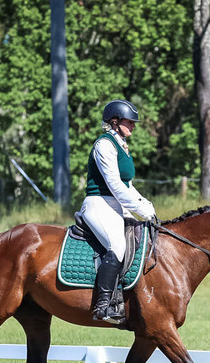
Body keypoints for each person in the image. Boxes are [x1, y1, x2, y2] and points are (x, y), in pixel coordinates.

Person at [79, 99, 156, 324]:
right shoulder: (104, 145)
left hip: (116, 204)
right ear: (114, 121)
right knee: (117, 245)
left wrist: (146, 205)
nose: (133, 125)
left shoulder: (122, 145)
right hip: (98, 203)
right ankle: (103, 305)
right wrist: (139, 209)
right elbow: (114, 184)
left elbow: (127, 185)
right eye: (129, 121)